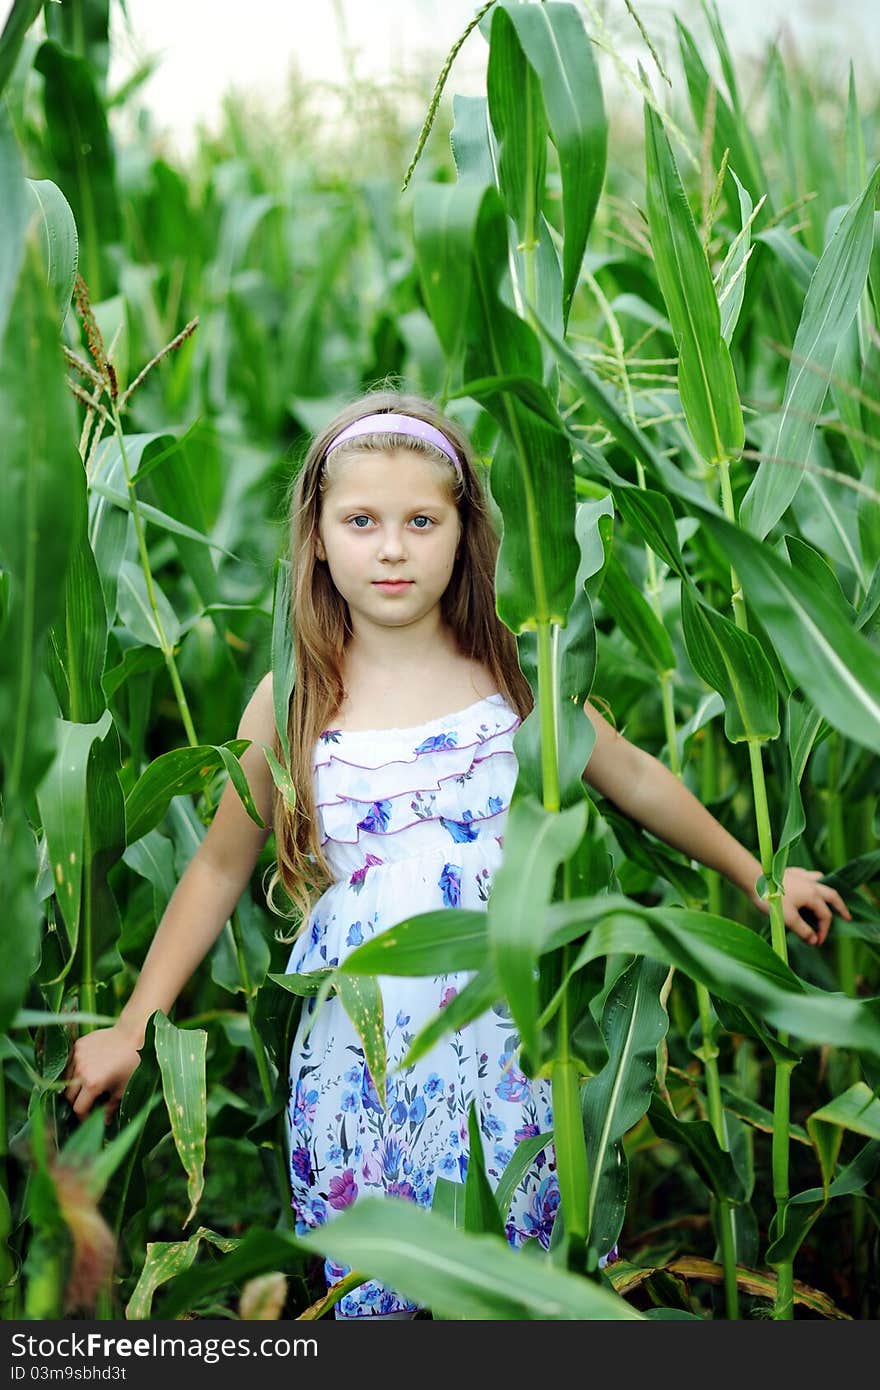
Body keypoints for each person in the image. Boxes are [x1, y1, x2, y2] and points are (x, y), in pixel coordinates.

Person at [64, 388, 852, 1319]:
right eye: (362, 520)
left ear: (462, 533)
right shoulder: (295, 697)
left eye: (420, 521)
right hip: (364, 1057)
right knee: (384, 1290)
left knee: (520, 1291)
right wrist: (131, 1025)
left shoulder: (516, 676)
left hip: (512, 1041)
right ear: (317, 537)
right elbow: (218, 867)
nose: (391, 547)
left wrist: (756, 875)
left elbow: (633, 775)